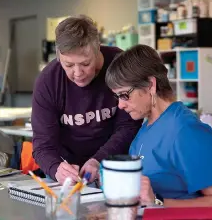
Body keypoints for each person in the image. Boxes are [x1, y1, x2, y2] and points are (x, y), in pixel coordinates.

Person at [105, 45, 212, 207]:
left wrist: (158, 204)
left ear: (150, 85)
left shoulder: (186, 132)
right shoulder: (147, 125)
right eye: (117, 97)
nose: (120, 105)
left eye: (124, 95)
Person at [32, 15, 142, 185]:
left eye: (85, 63)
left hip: (114, 165)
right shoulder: (48, 81)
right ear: (58, 55)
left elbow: (128, 126)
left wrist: (98, 160)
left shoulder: (119, 65)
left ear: (98, 47)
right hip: (67, 170)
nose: (77, 73)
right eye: (68, 65)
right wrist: (56, 168)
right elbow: (42, 145)